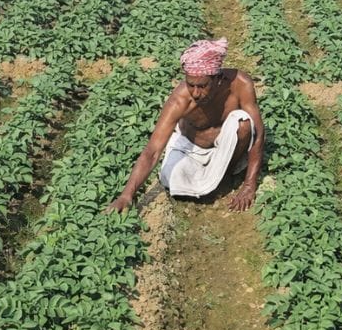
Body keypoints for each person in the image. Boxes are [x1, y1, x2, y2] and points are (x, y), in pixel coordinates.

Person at [106, 38, 264, 213]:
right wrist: (126, 195)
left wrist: (250, 185)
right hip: (191, 149)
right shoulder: (180, 100)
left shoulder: (240, 84)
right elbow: (152, 151)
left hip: (227, 146)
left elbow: (258, 133)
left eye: (203, 86)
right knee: (171, 179)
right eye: (191, 85)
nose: (196, 93)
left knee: (243, 123)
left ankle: (227, 172)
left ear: (217, 78)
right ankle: (211, 177)